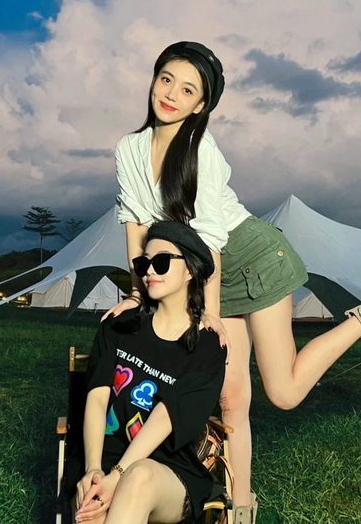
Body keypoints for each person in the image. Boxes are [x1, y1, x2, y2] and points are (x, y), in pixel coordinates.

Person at [104, 41, 361, 522]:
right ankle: (241, 507)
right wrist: (137, 294)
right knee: (231, 397)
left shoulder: (201, 151)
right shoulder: (129, 149)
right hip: (211, 276)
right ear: (153, 80)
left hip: (253, 259)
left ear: (201, 105)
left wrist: (209, 313)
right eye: (166, 79)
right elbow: (136, 224)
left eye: (188, 89)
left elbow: (212, 238)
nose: (171, 94)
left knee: (284, 392)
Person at [69, 221, 227, 524]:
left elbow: (166, 416)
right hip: (101, 457)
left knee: (138, 477)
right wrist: (93, 470)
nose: (150, 271)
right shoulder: (118, 325)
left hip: (168, 471)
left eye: (162, 261)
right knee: (92, 509)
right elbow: (97, 398)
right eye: (144, 264)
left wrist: (117, 476)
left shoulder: (208, 347)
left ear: (190, 271)